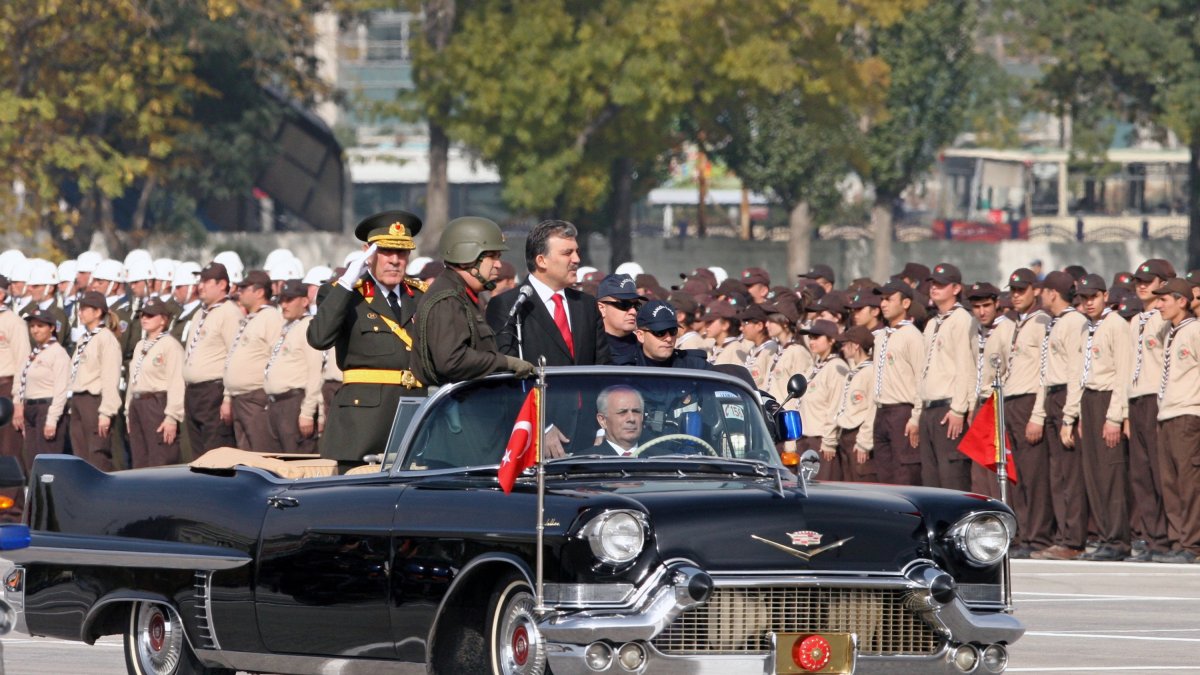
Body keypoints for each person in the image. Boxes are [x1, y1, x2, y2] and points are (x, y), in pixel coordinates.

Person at [307, 210, 428, 473]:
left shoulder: (419, 296)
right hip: (362, 424)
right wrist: (348, 282)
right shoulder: (344, 294)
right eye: (386, 251)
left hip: (414, 416)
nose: (395, 260)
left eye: (402, 253)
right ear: (367, 252)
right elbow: (318, 338)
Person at [412, 216, 533, 386]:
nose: (498, 265)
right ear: (467, 258)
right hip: (457, 406)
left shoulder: (461, 294)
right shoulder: (447, 299)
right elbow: (452, 361)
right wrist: (505, 363)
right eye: (493, 256)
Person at [1068, 274, 1132, 561]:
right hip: (1089, 399)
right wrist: (1076, 414)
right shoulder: (1086, 327)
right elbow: (1079, 372)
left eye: (1093, 296)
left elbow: (1123, 373)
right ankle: (1105, 536)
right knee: (1094, 474)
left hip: (1108, 398)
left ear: (1105, 296)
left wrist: (1115, 416)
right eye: (1083, 298)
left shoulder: (1116, 325)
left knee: (1111, 473)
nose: (1088, 302)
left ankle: (1118, 540)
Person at [486, 219, 610, 367]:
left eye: (577, 252)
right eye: (567, 253)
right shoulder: (509, 305)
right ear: (541, 261)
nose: (576, 259)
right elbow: (505, 366)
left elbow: (603, 365)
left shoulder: (586, 304)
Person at [1031, 271, 1090, 560]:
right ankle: (1062, 536)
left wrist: (1070, 417)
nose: (1040, 295)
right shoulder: (1056, 323)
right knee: (1057, 473)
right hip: (1053, 394)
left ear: (1053, 292)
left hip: (1067, 396)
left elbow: (1076, 371)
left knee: (1070, 472)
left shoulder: (1075, 322)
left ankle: (1074, 539)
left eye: (1044, 290)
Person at [1002, 267, 1054, 559]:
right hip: (1013, 400)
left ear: (1036, 290)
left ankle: (1039, 535)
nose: (1016, 295)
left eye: (1022, 289)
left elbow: (1044, 371)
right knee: (1017, 475)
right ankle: (1022, 534)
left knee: (1035, 475)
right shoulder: (1018, 323)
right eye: (1013, 290)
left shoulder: (1042, 322)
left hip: (1030, 400)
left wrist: (1038, 412)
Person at [1125, 258, 1174, 562]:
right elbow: (1127, 367)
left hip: (1158, 397)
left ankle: (1171, 537)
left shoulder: (1166, 319)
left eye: (1150, 280)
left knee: (1161, 473)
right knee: (1141, 474)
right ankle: (1152, 538)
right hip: (1137, 398)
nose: (1142, 286)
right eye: (1139, 281)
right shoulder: (1136, 321)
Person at [914, 264, 977, 491]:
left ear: (956, 288)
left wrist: (960, 408)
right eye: (933, 283)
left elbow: (965, 366)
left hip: (948, 407)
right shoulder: (932, 323)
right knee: (930, 478)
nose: (935, 288)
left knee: (952, 475)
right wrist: (917, 413)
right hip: (929, 407)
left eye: (942, 284)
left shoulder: (961, 319)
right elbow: (924, 371)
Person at [1150, 278, 1200, 563]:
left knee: (1188, 482)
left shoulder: (1194, 330)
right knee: (1170, 483)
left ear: (1182, 301)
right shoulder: (1171, 332)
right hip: (1167, 413)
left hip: (1188, 413)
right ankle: (1178, 539)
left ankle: (1192, 543)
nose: (1158, 305)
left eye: (1164, 300)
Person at [182, 262, 242, 455]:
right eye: (201, 281)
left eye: (207, 281)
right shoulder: (200, 313)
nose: (201, 286)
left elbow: (234, 357)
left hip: (213, 390)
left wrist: (227, 397)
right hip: (193, 392)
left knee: (215, 451)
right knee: (197, 453)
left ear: (222, 284)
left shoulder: (230, 313)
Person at [222, 270, 284, 452]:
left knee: (261, 451)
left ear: (259, 292)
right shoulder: (250, 318)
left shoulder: (270, 317)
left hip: (256, 397)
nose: (239, 291)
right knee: (245, 455)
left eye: (244, 288)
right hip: (240, 397)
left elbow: (275, 357)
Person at [870, 280, 924, 485]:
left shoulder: (912, 336)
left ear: (906, 303)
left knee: (905, 473)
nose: (883, 304)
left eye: (889, 299)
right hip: (881, 410)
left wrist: (916, 417)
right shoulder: (881, 336)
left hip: (903, 411)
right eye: (882, 299)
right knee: (884, 473)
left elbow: (921, 378)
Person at [263, 280, 323, 454]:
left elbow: (315, 372)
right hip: (276, 404)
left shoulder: (309, 326)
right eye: (282, 300)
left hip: (294, 403)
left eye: (289, 300)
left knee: (297, 459)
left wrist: (307, 411)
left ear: (304, 302)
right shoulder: (288, 326)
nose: (283, 304)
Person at [125, 297, 185, 468]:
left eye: (150, 315)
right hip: (138, 403)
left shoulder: (170, 345)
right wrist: (128, 410)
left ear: (163, 320)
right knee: (140, 456)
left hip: (157, 402)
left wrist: (172, 416)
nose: (144, 318)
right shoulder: (140, 345)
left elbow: (176, 382)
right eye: (143, 314)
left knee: (160, 456)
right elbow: (133, 380)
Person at [67, 291, 123, 472]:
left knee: (97, 454)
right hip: (79, 400)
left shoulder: (106, 338)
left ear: (98, 312)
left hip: (94, 401)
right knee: (80, 455)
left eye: (85, 309)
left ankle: (101, 497)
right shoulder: (85, 339)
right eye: (79, 308)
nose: (80, 313)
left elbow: (110, 377)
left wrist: (106, 412)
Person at [13, 307, 70, 470]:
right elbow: (22, 378)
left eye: (40, 326)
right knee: (32, 460)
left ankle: (49, 495)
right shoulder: (34, 353)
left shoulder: (57, 353)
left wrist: (52, 420)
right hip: (30, 409)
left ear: (51, 328)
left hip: (46, 408)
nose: (35, 330)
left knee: (47, 462)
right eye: (32, 326)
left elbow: (61, 390)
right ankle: (36, 495)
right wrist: (19, 404)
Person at [796, 319, 848, 480]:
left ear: (832, 340)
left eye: (817, 337)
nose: (812, 341)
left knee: (823, 486)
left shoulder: (837, 367)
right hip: (805, 437)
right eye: (810, 337)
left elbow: (836, 405)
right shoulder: (815, 366)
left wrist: (829, 441)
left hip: (821, 441)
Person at [823, 325, 877, 482]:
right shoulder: (853, 372)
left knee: (862, 481)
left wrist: (864, 441)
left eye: (846, 344)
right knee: (849, 482)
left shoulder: (870, 371)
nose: (842, 348)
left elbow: (872, 408)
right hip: (845, 434)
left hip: (858, 434)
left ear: (856, 345)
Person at [624, 300, 710, 369]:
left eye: (673, 331)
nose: (669, 339)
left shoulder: (693, 366)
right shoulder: (625, 369)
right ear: (640, 335)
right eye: (660, 332)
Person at [0, 275, 30, 464]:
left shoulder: (14, 322)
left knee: (8, 450)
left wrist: (18, 401)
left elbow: (23, 363)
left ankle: (11, 494)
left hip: (6, 387)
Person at [594, 274, 646, 366]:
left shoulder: (645, 346)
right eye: (624, 305)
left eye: (637, 305)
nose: (633, 311)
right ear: (601, 308)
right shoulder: (588, 348)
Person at [594, 385, 645, 456]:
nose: (631, 419)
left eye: (636, 411)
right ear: (602, 420)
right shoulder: (585, 462)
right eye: (622, 412)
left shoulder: (661, 459)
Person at [738, 304, 778, 389]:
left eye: (745, 323)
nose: (741, 328)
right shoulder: (754, 349)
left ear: (759, 326)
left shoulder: (771, 350)